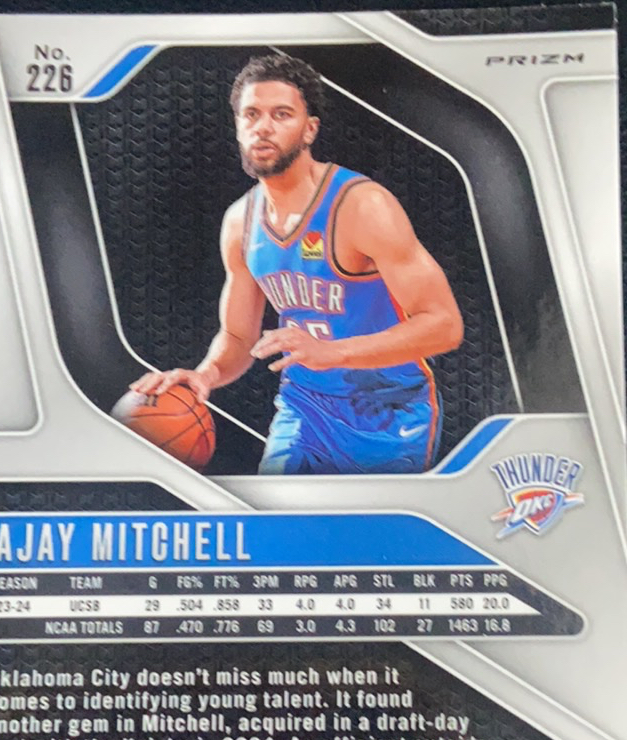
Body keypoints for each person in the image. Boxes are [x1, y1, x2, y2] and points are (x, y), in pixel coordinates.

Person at [131, 54, 463, 475]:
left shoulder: (362, 206)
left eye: (281, 114)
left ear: (310, 129)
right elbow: (238, 335)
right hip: (305, 408)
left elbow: (444, 325)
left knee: (367, 522)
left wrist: (334, 352)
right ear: (237, 125)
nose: (263, 127)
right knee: (278, 512)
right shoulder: (240, 222)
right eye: (251, 114)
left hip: (387, 409)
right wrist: (206, 375)